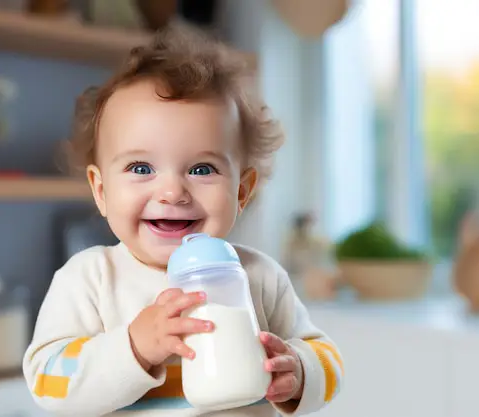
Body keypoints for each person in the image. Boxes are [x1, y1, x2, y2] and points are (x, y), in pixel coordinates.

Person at [22, 24, 344, 417]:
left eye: (202, 169)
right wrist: (134, 348)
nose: (172, 192)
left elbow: (326, 356)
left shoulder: (260, 276)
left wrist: (299, 369)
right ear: (101, 190)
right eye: (141, 167)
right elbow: (47, 379)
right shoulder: (89, 279)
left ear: (241, 192)